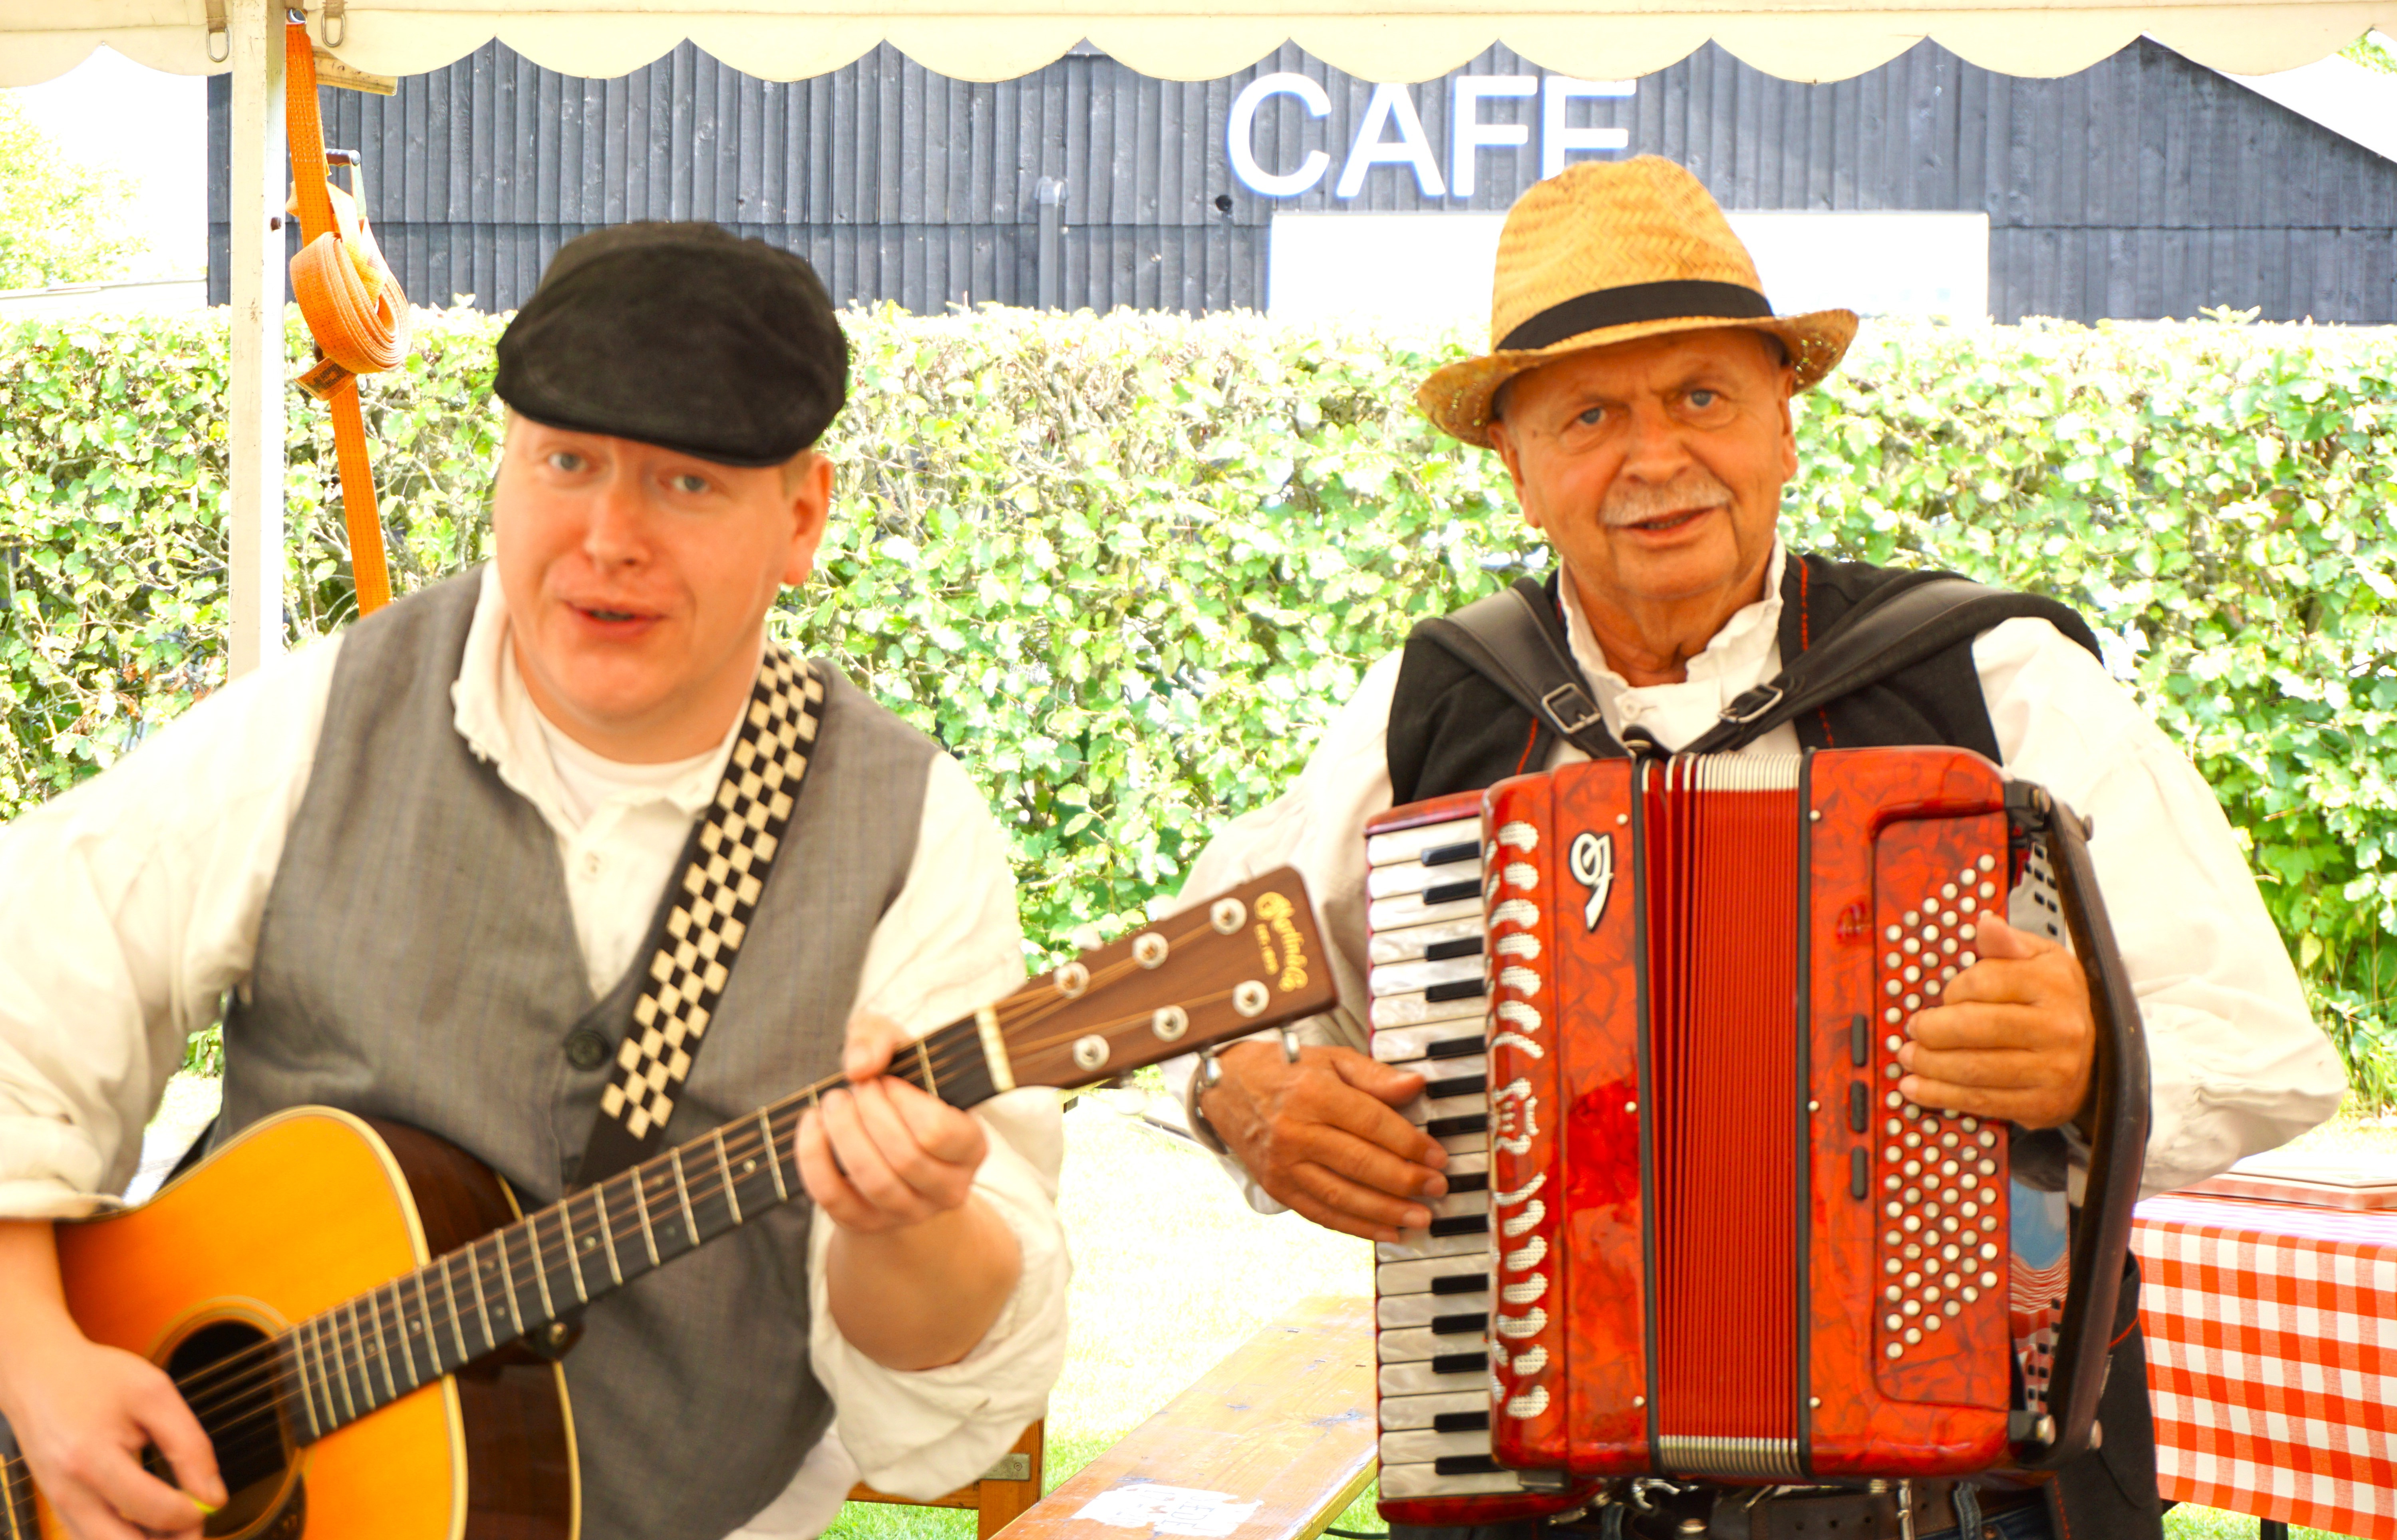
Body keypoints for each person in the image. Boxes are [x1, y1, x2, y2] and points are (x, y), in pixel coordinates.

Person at [1165, 157, 2346, 1539]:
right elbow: (1207, 984)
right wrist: (1236, 1094)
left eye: (1703, 399)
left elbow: (2263, 1050)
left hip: (1962, 1503)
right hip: (1551, 1495)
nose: (1655, 457)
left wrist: (2097, 1059)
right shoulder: (1437, 707)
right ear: (1518, 466)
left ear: (1786, 422)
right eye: (1591, 414)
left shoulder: (1998, 685)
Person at [0, 223, 1067, 1540]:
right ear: (504, 463)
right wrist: (39, 1362)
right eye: (566, 462)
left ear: (801, 516)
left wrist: (914, 1220)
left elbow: (945, 1378)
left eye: (685, 485)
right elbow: (27, 982)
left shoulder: (908, 830)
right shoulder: (324, 719)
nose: (608, 536)